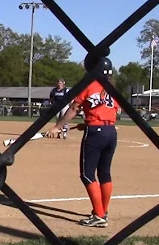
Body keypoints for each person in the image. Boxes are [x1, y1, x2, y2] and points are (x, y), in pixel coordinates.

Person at [45, 57, 119, 228]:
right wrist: (87, 122)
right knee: (105, 173)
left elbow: (74, 108)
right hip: (111, 132)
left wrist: (58, 127)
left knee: (87, 174)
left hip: (95, 134)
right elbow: (107, 111)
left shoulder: (89, 85)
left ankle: (99, 215)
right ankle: (103, 211)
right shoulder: (113, 89)